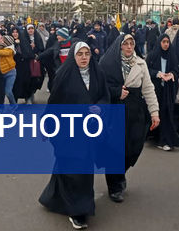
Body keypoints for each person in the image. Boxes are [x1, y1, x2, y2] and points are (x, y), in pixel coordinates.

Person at [38, 42, 110, 230]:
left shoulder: (97, 73)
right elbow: (54, 104)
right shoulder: (64, 75)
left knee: (81, 169)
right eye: (80, 54)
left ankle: (55, 198)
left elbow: (105, 96)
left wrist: (100, 108)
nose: (84, 57)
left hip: (88, 132)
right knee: (72, 169)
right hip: (68, 132)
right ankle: (77, 212)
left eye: (87, 54)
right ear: (73, 56)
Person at [99, 34, 160, 203]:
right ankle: (114, 185)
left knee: (133, 148)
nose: (128, 47)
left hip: (135, 112)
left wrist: (154, 112)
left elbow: (148, 88)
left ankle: (120, 173)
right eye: (125, 44)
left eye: (131, 44)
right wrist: (116, 91)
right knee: (115, 149)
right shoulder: (107, 63)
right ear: (119, 46)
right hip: (114, 111)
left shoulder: (140, 63)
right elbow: (99, 86)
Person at [146, 33, 179, 151]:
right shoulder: (152, 55)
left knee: (166, 113)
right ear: (159, 43)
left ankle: (165, 140)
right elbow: (146, 71)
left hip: (168, 90)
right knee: (156, 113)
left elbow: (177, 70)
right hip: (155, 90)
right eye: (163, 42)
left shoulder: (173, 55)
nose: (166, 44)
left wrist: (172, 74)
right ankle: (155, 136)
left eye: (167, 42)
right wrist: (158, 74)